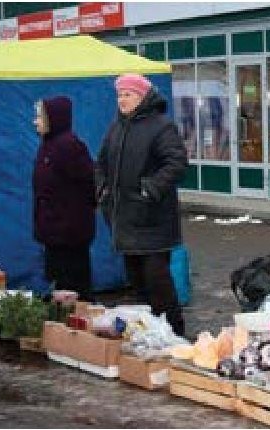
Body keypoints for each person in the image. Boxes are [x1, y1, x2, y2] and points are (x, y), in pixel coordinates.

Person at [96, 74, 188, 336]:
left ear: (142, 97)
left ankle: (174, 334)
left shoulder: (161, 126)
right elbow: (100, 164)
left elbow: (177, 163)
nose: (122, 100)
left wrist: (151, 188)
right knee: (137, 286)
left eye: (127, 94)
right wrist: (102, 189)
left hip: (152, 221)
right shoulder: (116, 128)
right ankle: (148, 335)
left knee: (158, 285)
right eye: (119, 95)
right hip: (125, 221)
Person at [32, 96, 95, 301]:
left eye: (39, 117)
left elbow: (89, 183)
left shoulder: (69, 146)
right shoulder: (47, 146)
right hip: (53, 233)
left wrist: (70, 218)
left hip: (69, 235)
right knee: (58, 286)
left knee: (73, 289)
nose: (35, 121)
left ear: (53, 118)